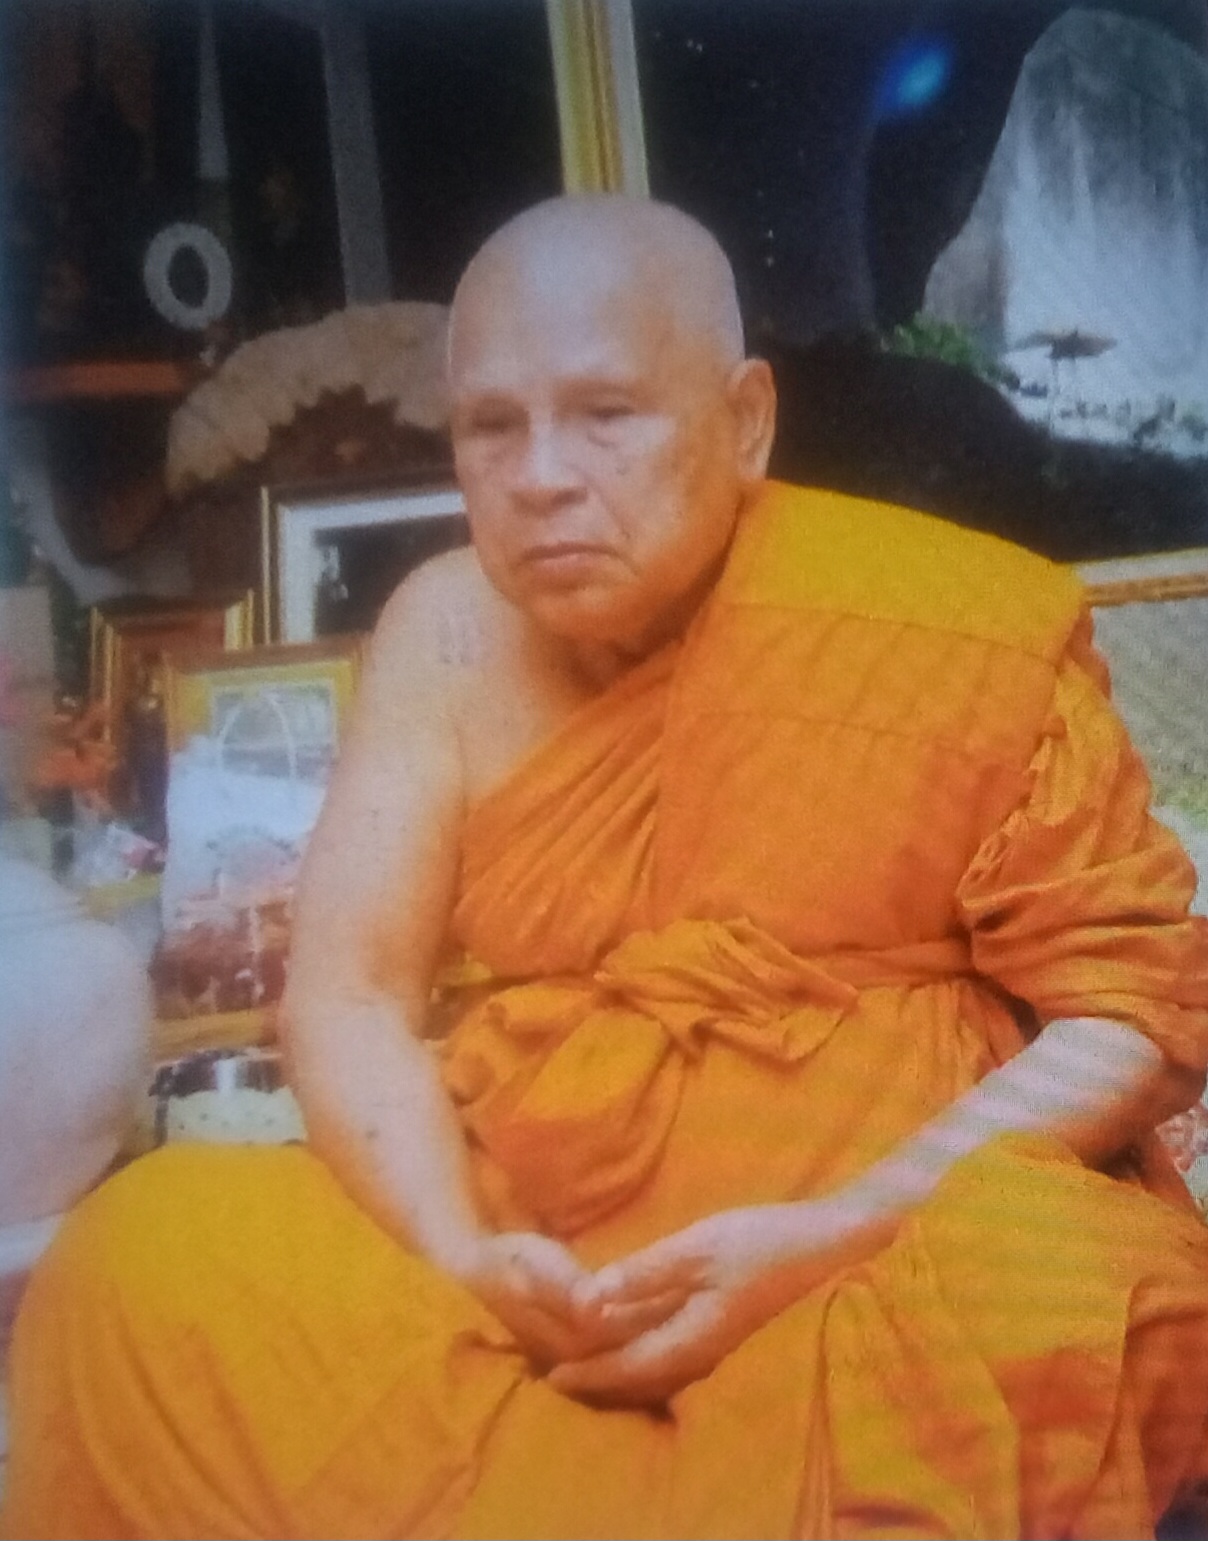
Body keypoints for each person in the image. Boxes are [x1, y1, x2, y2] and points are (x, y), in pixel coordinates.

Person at [6, 194, 1208, 1541]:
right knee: (142, 1259)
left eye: (605, 414)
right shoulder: (442, 633)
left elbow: (1132, 1016)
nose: (540, 476)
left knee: (1077, 1285)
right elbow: (349, 995)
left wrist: (834, 1232)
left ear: (744, 422)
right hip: (543, 1267)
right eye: (491, 426)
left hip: (868, 1268)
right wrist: (462, 1249)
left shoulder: (945, 616)